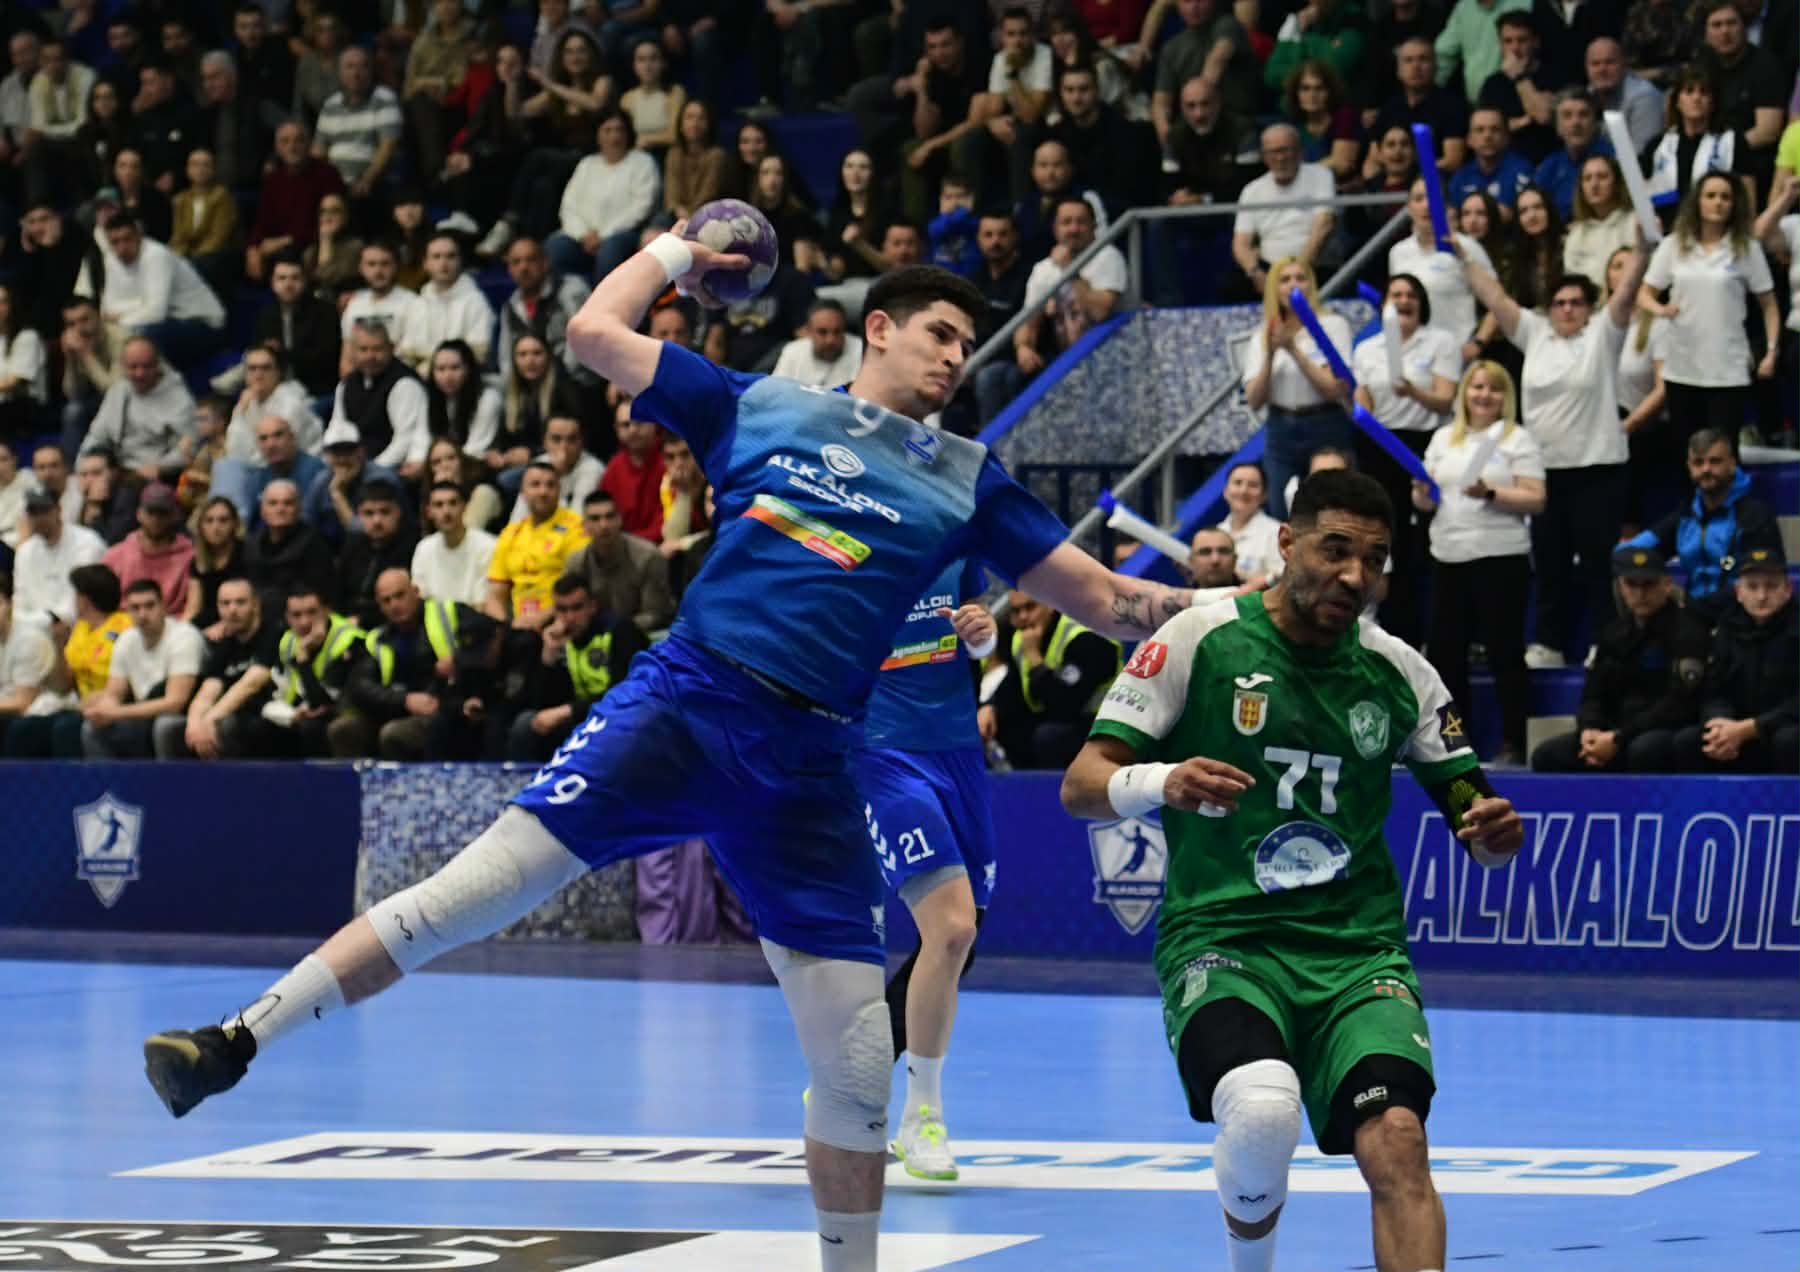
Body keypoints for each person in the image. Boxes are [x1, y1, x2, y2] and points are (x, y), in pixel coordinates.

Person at [142, 250, 1201, 1272]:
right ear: (878, 330)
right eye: (940, 333)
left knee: (856, 1066)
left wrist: (1234, 605)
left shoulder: (966, 479)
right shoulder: (763, 406)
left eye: (968, 343)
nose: (956, 357)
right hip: (682, 708)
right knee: (474, 892)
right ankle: (232, 1041)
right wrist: (677, 247)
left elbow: (1113, 601)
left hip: (811, 771)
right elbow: (593, 332)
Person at [1061, 469, 1524, 1272]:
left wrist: (1494, 835)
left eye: (1373, 560)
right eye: (1334, 550)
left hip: (1358, 955)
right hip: (1225, 939)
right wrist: (1162, 781)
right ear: (1285, 542)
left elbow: (1475, 819)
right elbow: (1081, 785)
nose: (1354, 575)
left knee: (1400, 1138)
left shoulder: (1402, 673)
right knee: (1263, 1108)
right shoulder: (1199, 639)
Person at [862, 561, 998, 1180]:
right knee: (951, 929)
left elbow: (981, 637)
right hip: (881, 749)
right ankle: (922, 1118)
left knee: (960, 940)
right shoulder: (837, 544)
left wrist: (982, 636)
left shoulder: (952, 537)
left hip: (958, 751)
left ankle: (857, 1075)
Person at [1461, 228, 1647, 669]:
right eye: (1560, 302)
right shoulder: (1535, 332)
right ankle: (1548, 643)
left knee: (1598, 564)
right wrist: (1462, 254)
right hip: (1543, 473)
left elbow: (1625, 294)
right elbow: (1494, 296)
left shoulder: (1603, 333)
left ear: (1589, 308)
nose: (1567, 309)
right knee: (1549, 564)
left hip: (1598, 470)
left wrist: (1641, 250)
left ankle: (1605, 643)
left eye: (1576, 302)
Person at [1412, 361, 1546, 764]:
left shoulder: (1517, 438)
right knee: (1445, 655)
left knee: (1505, 653)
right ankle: (1454, 742)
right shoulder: (1442, 438)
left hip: (1500, 558)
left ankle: (1513, 742)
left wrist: (1491, 492)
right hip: (1448, 556)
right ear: (1464, 393)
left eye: (1493, 388)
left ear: (1506, 397)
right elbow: (1425, 503)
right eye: (1477, 387)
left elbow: (1537, 498)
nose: (1484, 395)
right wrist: (1421, 493)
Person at [1351, 272, 1459, 646]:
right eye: (1395, 294)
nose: (1403, 300)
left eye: (1411, 294)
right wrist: (1361, 413)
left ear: (1422, 302)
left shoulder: (1441, 341)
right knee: (1386, 539)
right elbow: (1363, 401)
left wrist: (1413, 391)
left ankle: (1432, 633)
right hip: (1379, 446)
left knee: (1423, 541)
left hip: (1423, 446)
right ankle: (1393, 633)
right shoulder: (1367, 349)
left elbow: (1445, 400)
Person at [1530, 545, 1706, 773]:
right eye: (1632, 584)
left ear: (1667, 584)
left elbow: (1680, 704)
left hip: (1659, 729)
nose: (1640, 594)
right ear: (1620, 586)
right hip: (1613, 731)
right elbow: (1593, 694)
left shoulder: (1688, 631)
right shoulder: (1613, 633)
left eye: (1649, 584)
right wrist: (1590, 729)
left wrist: (1620, 737)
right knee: (1547, 755)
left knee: (1645, 751)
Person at [1637, 172, 1778, 443]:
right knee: (1686, 451)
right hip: (1682, 366)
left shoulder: (1747, 248)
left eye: (1725, 197)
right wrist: (1660, 309)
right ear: (1697, 202)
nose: (1718, 203)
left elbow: (1769, 304)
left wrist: (1771, 352)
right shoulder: (1673, 245)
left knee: (1724, 450)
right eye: (1711, 196)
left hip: (1728, 369)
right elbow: (1644, 293)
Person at [341, 567, 501, 760]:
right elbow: (359, 685)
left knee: (394, 734)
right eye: (386, 600)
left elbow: (494, 635)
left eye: (400, 595)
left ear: (416, 591)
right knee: (344, 728)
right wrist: (404, 700)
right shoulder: (376, 639)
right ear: (379, 606)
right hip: (398, 707)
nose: (394, 605)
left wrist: (459, 660)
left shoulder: (448, 613)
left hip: (447, 706)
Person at [1622, 427, 1776, 624]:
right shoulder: (1686, 515)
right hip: (1691, 618)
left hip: (1741, 619)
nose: (1706, 470)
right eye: (1698, 462)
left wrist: (1689, 604)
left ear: (1732, 464)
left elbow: (1761, 584)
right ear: (1689, 466)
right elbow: (1628, 552)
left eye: (1715, 461)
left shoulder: (1755, 515)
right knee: (1627, 576)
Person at [1672, 541, 1800, 773]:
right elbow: (1714, 690)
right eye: (1752, 586)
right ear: (1738, 593)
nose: (1762, 596)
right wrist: (1719, 724)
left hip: (1782, 725)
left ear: (1788, 590)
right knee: (1688, 741)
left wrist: (1751, 728)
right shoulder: (1727, 627)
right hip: (1736, 729)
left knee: (1790, 741)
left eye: (1772, 586)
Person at [1241, 257, 1353, 521]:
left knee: (1334, 505)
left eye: (1300, 278)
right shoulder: (1262, 335)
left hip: (1326, 422)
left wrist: (1292, 349)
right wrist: (1271, 354)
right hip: (1281, 427)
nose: (1293, 285)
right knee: (1281, 509)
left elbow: (1334, 389)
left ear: (1311, 285)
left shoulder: (1333, 326)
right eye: (1285, 279)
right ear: (1274, 289)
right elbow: (1254, 399)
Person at [505, 572, 649, 761]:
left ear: (592, 606)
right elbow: (540, 704)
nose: (570, 617)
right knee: (526, 723)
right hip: (581, 719)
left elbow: (626, 693)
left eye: (577, 608)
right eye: (562, 610)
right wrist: (549, 656)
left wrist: (569, 710)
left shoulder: (620, 631)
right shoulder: (558, 639)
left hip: (620, 718)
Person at [980, 588, 1122, 770]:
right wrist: (990, 707)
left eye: (1030, 607)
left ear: (1050, 605)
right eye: (1016, 611)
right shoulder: (1022, 639)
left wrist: (1035, 660)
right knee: (993, 727)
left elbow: (1065, 705)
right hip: (1056, 719)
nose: (1023, 617)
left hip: (1101, 724)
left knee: (1049, 736)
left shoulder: (1087, 639)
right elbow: (1012, 686)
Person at [82, 576, 203, 758]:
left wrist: (115, 713)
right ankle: (106, 778)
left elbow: (175, 703)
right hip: (142, 717)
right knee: (92, 728)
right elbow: (114, 693)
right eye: (135, 608)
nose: (142, 614)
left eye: (149, 606)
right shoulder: (126, 639)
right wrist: (102, 711)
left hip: (185, 717)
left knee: (165, 726)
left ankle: (168, 778)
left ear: (164, 606)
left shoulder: (184, 637)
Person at [485, 459, 589, 631]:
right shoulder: (510, 533)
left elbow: (579, 590)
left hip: (562, 621)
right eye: (535, 485)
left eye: (550, 485)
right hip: (518, 627)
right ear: (523, 491)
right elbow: (495, 594)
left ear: (559, 490)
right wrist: (505, 628)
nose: (543, 491)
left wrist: (541, 618)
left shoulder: (575, 527)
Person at [560, 489, 673, 633]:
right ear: (584, 526)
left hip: (645, 635)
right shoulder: (575, 562)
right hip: (593, 634)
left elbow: (655, 615)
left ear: (620, 520)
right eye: (595, 519)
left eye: (610, 516)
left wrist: (613, 631)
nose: (604, 525)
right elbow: (566, 607)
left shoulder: (648, 557)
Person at [101, 481, 195, 616]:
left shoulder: (190, 557)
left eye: (162, 513)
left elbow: (192, 607)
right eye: (151, 512)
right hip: (123, 624)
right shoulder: (115, 556)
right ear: (139, 514)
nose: (156, 519)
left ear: (175, 515)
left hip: (173, 625)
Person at [412, 481, 497, 608]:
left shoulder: (488, 546)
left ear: (464, 507)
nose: (446, 511)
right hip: (435, 618)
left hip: (477, 618)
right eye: (439, 505)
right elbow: (420, 599)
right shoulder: (423, 548)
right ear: (429, 512)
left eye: (453, 503)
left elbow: (484, 604)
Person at [1216, 461, 1285, 586]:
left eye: (1253, 485)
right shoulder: (1217, 531)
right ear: (1225, 491)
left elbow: (1284, 577)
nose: (1244, 491)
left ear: (1264, 495)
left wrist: (1259, 582)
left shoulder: (1277, 532)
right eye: (1238, 483)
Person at [772, 300, 864, 388]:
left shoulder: (862, 351)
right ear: (809, 331)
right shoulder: (792, 351)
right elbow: (775, 391)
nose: (830, 340)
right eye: (822, 332)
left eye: (837, 331)